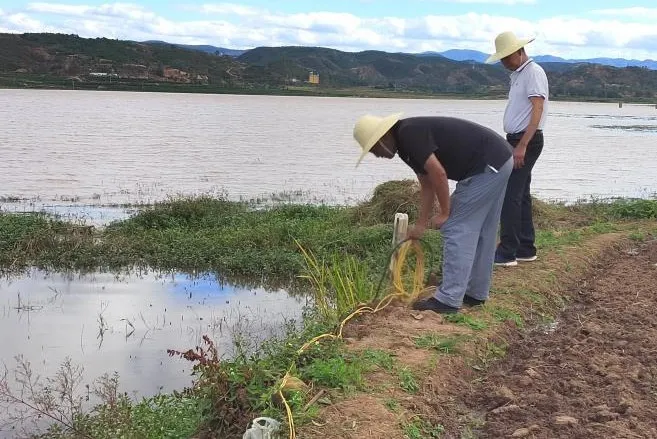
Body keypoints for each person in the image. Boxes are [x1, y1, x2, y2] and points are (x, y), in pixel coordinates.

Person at [353, 114, 513, 314]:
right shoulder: (406, 142)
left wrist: (445, 213)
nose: (377, 155)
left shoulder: (408, 134)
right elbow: (427, 183)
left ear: (382, 137)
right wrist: (420, 225)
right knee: (483, 230)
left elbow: (439, 174)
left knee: (456, 227)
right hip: (499, 160)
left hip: (487, 166)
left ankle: (448, 300)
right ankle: (475, 293)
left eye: (374, 149)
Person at [485, 31, 549, 267]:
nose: (503, 63)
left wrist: (522, 145)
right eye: (501, 58)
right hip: (517, 139)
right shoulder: (518, 74)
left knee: (510, 194)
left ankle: (508, 251)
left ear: (520, 52)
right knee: (520, 194)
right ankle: (525, 247)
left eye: (506, 57)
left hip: (525, 140)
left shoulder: (533, 72)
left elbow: (537, 109)